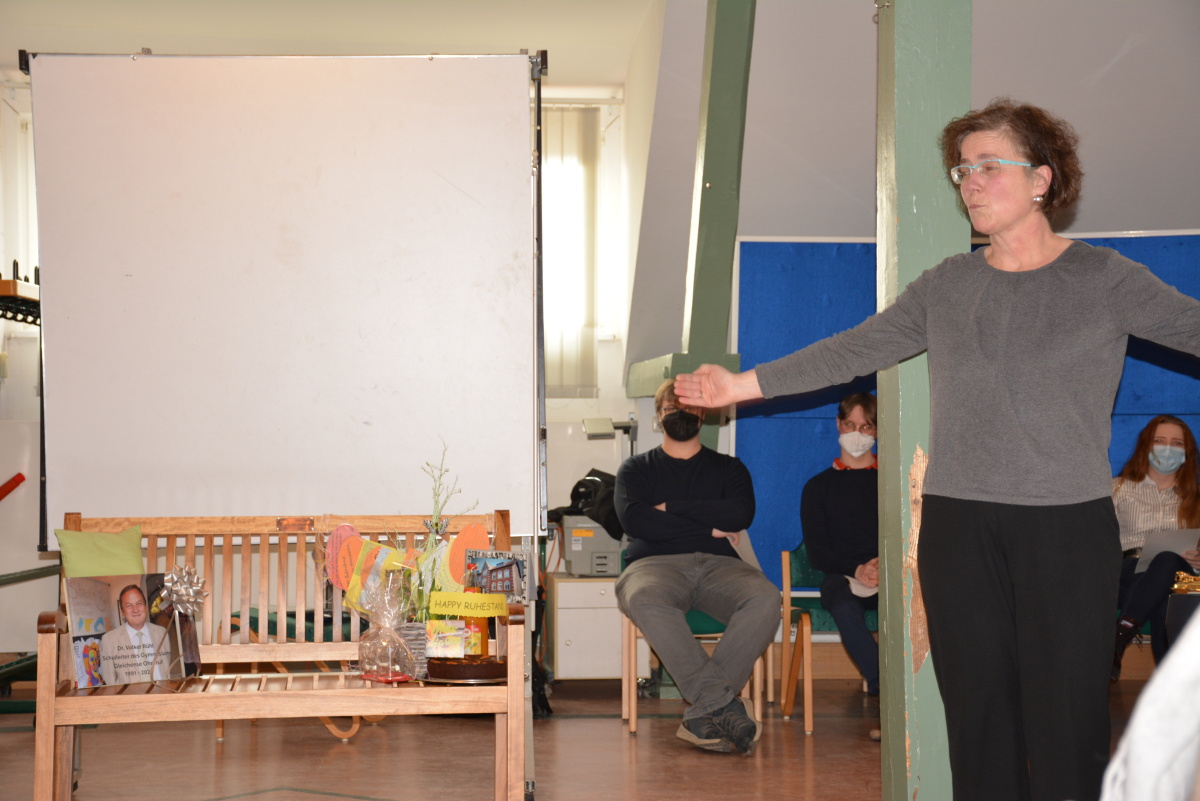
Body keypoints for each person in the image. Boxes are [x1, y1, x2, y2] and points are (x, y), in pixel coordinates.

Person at [674, 98, 1200, 800]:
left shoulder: (1106, 279)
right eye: (962, 170)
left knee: (1068, 722)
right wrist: (739, 385)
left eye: (988, 166)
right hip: (960, 526)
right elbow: (854, 348)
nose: (970, 182)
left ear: (1042, 178)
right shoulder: (949, 285)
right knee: (978, 721)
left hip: (1067, 529)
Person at [614, 378, 778, 756]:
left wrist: (671, 508)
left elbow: (740, 514)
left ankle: (705, 711)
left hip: (722, 566)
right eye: (672, 409)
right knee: (642, 596)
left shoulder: (730, 468)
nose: (680, 415)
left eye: (689, 408)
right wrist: (708, 527)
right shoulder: (636, 469)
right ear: (659, 416)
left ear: (703, 414)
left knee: (766, 598)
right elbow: (636, 521)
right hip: (655, 565)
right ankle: (721, 705)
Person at [800, 392, 880, 697]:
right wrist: (858, 569)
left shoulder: (894, 483)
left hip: (889, 574)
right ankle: (884, 684)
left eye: (866, 426)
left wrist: (881, 567)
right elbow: (818, 554)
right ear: (838, 424)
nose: (857, 433)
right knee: (840, 601)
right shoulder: (817, 488)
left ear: (877, 430)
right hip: (843, 577)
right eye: (850, 424)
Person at [1111, 414, 1200, 679]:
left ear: (1187, 452)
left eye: (1177, 443)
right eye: (1159, 441)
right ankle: (1171, 689)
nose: (1167, 449)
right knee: (1166, 598)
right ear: (1145, 446)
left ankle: (1119, 636)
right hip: (1125, 574)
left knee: (1168, 562)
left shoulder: (1196, 497)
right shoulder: (1117, 489)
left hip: (1185, 577)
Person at [99, 584, 174, 685]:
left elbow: (166, 667)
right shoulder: (108, 641)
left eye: (139, 604)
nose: (135, 610)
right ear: (122, 611)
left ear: (145, 607)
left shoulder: (161, 633)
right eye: (129, 606)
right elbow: (110, 681)